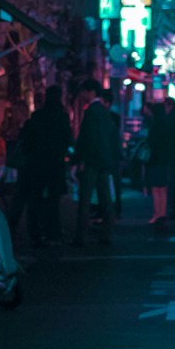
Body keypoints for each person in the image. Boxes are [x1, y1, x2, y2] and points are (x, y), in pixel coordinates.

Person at [16, 87, 72, 246]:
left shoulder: (36, 117)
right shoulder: (62, 117)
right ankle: (52, 232)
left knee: (36, 198)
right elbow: (68, 140)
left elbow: (26, 140)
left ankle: (34, 232)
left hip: (36, 164)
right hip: (55, 163)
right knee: (53, 200)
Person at [73, 79, 119, 246]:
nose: (83, 94)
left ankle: (81, 235)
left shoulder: (91, 112)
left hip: (92, 161)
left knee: (85, 198)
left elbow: (87, 138)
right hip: (104, 160)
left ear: (91, 92)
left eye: (85, 91)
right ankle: (108, 232)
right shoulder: (104, 112)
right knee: (105, 197)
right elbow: (111, 135)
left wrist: (79, 159)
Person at [144, 98, 175, 226]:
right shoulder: (168, 124)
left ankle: (157, 213)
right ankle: (162, 213)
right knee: (163, 187)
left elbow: (151, 142)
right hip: (165, 159)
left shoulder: (155, 126)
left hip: (155, 159)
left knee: (156, 188)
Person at [101, 86, 123, 218]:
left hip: (109, 154)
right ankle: (115, 208)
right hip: (114, 154)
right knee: (115, 183)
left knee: (109, 182)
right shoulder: (115, 117)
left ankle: (110, 209)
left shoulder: (106, 117)